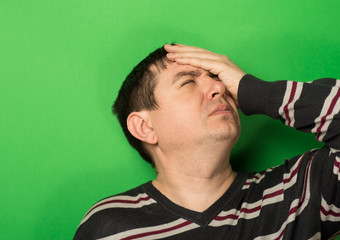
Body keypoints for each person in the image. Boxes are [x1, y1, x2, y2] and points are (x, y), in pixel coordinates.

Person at [73, 44, 340, 239]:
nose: (220, 88)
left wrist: (254, 90)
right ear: (145, 127)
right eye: (188, 83)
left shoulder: (297, 193)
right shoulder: (109, 226)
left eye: (217, 78)